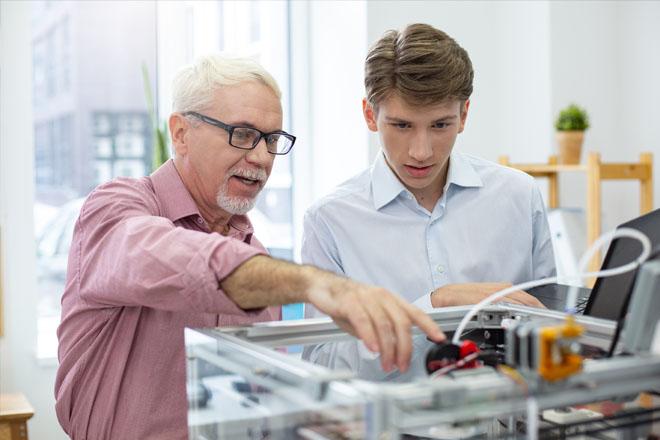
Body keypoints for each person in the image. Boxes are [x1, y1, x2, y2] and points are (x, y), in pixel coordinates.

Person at [54, 55, 445, 440]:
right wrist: (314, 283)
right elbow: (165, 256)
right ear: (180, 134)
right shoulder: (116, 206)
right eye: (241, 134)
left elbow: (252, 404)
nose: (261, 157)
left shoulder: (252, 252)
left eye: (272, 139)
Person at [302, 23, 555, 380]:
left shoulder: (519, 196)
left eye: (440, 126)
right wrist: (434, 306)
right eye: (402, 126)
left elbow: (552, 322)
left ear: (464, 115)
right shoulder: (329, 220)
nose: (421, 152)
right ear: (370, 115)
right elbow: (322, 366)